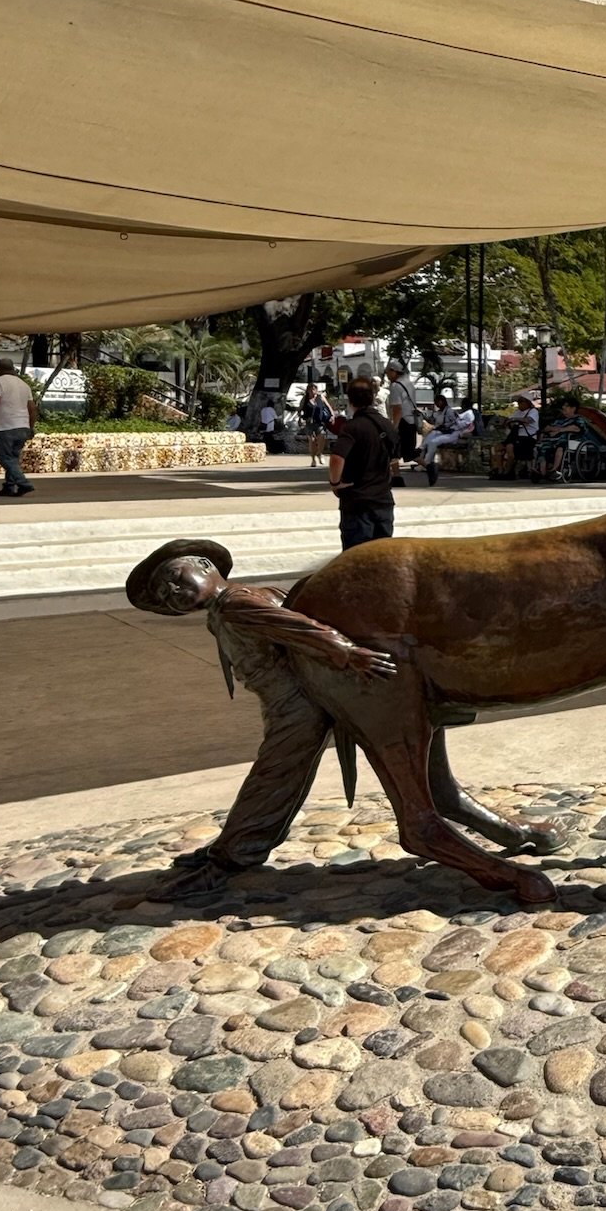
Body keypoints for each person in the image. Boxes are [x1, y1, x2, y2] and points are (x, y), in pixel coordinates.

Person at [125, 537, 396, 900]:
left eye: (174, 577)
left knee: (272, 778)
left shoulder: (234, 603)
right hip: (285, 702)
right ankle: (235, 845)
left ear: (206, 566)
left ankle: (228, 860)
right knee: (279, 778)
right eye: (164, 594)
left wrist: (345, 651)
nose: (172, 591)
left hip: (298, 705)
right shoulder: (229, 605)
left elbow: (295, 625)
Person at [328, 377, 399, 547]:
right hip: (383, 501)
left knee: (356, 558)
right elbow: (395, 458)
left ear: (350, 400)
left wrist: (335, 483)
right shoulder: (386, 425)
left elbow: (337, 458)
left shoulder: (352, 427)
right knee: (381, 556)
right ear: (373, 397)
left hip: (358, 502)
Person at [0, 358, 37, 498]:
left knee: (4, 458)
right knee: (13, 459)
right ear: (13, 369)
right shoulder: (24, 385)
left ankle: (23, 483)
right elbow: (32, 409)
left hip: (6, 427)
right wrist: (30, 427)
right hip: (23, 427)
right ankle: (9, 487)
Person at [420, 395, 475, 485]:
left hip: (455, 434)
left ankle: (427, 463)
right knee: (429, 439)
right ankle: (424, 461)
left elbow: (463, 425)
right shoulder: (460, 413)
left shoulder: (469, 414)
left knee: (433, 442)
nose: (462, 406)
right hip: (449, 431)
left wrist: (454, 421)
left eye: (463, 404)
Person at [535, 395, 590, 480]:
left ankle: (554, 470)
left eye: (566, 406)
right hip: (553, 440)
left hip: (570, 441)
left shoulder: (579, 419)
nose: (564, 407)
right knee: (543, 447)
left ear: (573, 408)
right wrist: (555, 429)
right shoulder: (559, 419)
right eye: (563, 406)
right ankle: (542, 471)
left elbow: (576, 428)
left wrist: (560, 430)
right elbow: (547, 428)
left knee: (560, 446)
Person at [490, 395, 539, 480]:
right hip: (515, 436)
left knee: (510, 447)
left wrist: (514, 419)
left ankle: (508, 472)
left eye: (521, 401)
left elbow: (528, 420)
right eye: (518, 401)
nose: (519, 403)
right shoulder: (517, 412)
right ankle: (500, 470)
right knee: (497, 448)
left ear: (527, 403)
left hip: (527, 437)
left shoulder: (533, 411)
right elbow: (508, 420)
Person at [384, 360, 419, 463]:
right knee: (408, 453)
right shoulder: (409, 383)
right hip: (412, 421)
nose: (387, 375)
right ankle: (429, 466)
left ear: (393, 371)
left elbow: (397, 409)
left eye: (387, 372)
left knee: (393, 450)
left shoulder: (395, 386)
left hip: (403, 422)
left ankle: (430, 466)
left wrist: (394, 428)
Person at [303, 387, 335, 467]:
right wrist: (300, 418)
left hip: (320, 423)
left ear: (316, 390)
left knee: (322, 437)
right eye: (310, 390)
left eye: (314, 389)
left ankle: (320, 453)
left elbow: (328, 406)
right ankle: (313, 459)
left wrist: (332, 415)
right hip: (309, 424)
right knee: (312, 441)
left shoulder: (321, 397)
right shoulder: (305, 399)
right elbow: (300, 409)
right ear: (308, 391)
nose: (312, 391)